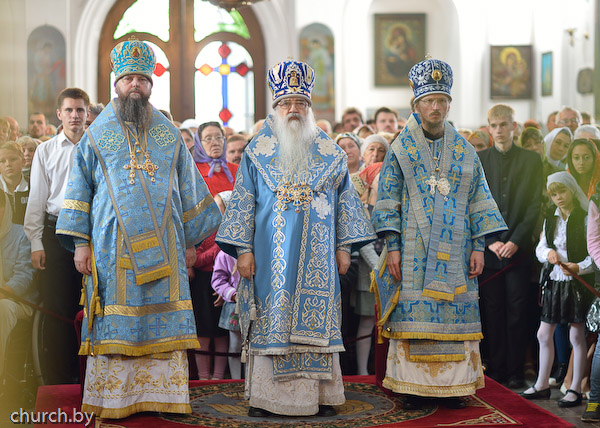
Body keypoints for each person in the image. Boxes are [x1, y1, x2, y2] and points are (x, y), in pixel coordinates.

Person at [55, 38, 221, 418]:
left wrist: (191, 241)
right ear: (116, 83)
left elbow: (189, 188)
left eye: (142, 79)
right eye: (128, 78)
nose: (135, 84)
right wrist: (80, 243)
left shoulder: (168, 134)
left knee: (162, 321)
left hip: (167, 248)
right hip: (111, 249)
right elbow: (79, 189)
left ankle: (164, 396)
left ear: (150, 85)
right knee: (118, 319)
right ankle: (115, 399)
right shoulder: (96, 135)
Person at [216, 59, 375, 417]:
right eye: (286, 103)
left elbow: (346, 203)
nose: (293, 109)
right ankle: (265, 398)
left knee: (318, 324)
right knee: (271, 322)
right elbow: (242, 202)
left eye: (300, 103)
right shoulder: (256, 152)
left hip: (319, 258)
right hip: (269, 257)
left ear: (309, 107)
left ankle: (320, 396)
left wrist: (344, 248)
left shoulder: (331, 153)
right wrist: (243, 251)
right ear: (275, 108)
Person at [371, 58, 507, 409]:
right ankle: (411, 386)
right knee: (413, 318)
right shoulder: (401, 148)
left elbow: (479, 199)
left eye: (442, 101)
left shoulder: (465, 150)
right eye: (429, 101)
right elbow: (387, 199)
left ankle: (456, 386)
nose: (436, 107)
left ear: (449, 104)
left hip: (458, 254)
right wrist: (393, 247)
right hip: (412, 254)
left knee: (454, 316)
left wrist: (479, 246)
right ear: (416, 105)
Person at [23, 87, 90, 385]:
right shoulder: (46, 150)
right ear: (59, 114)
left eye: (80, 110)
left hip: (92, 235)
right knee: (57, 308)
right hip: (55, 231)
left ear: (87, 114)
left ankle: (90, 376)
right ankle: (58, 380)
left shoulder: (98, 148)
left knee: (90, 307)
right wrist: (36, 242)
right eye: (69, 110)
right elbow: (37, 199)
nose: (75, 116)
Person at [478, 104, 543, 389]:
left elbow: (534, 205)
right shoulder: (481, 159)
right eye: (494, 125)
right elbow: (475, 204)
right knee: (492, 311)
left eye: (504, 124)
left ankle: (515, 370)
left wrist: (516, 241)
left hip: (519, 251)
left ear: (513, 126)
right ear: (489, 128)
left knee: (518, 311)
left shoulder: (531, 160)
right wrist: (490, 241)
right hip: (490, 251)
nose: (499, 130)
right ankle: (496, 368)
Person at [521, 172, 593, 408]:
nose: (558, 197)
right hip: (554, 281)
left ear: (572, 190)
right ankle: (542, 384)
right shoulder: (550, 219)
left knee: (576, 335)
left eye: (562, 191)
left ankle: (575, 388)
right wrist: (548, 253)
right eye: (554, 194)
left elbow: (594, 253)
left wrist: (578, 267)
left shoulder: (585, 218)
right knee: (543, 333)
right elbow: (540, 247)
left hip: (576, 283)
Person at [0, 191, 37, 382]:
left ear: (5, 208)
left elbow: (24, 278)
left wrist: (4, 293)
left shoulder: (21, 235)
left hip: (18, 302)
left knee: (2, 308)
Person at [211, 191, 243, 379]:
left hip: (257, 303)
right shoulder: (225, 253)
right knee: (235, 345)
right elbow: (218, 279)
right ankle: (236, 380)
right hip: (234, 305)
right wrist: (230, 293)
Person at [0, 142, 29, 225]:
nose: (8, 164)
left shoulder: (34, 185)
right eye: (2, 161)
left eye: (13, 159)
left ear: (23, 161)